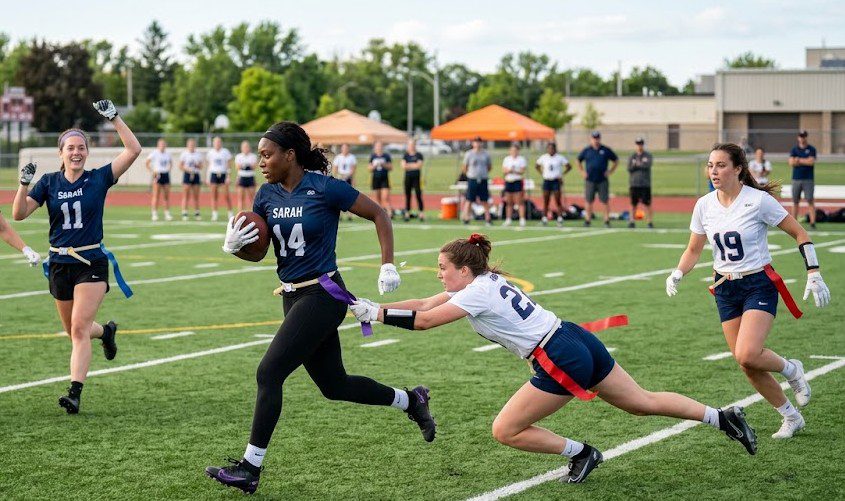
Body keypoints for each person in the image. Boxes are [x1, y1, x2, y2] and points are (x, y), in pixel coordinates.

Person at [349, 233, 758, 485]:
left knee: (506, 430)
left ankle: (581, 452)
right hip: (572, 335)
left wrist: (378, 315)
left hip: (557, 355)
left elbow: (424, 321)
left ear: (463, 270)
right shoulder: (485, 281)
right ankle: (722, 417)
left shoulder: (475, 291)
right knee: (642, 402)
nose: (438, 274)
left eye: (442, 268)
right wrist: (370, 306)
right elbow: (422, 302)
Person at [205, 122, 434, 494]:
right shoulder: (264, 196)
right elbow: (261, 251)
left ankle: (250, 467)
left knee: (269, 373)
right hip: (293, 295)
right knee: (334, 385)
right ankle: (411, 400)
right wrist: (234, 248)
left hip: (323, 294)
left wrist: (387, 262)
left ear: (289, 155)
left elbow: (380, 214)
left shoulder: (324, 188)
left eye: (267, 154)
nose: (259, 161)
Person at [665, 143, 830, 440]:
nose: (713, 171)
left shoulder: (758, 201)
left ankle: (792, 370)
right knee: (745, 362)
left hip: (758, 283)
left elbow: (800, 233)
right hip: (725, 287)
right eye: (710, 165)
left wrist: (813, 271)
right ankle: (791, 417)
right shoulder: (704, 204)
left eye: (721, 165)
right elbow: (693, 249)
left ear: (738, 168)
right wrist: (678, 271)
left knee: (748, 351)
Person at [12, 100, 141, 414]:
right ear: (61, 153)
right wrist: (23, 184)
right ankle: (106, 332)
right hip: (59, 263)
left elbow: (133, 150)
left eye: (81, 147)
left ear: (87, 151)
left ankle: (74, 393)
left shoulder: (98, 178)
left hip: (90, 262)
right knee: (75, 329)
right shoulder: (49, 183)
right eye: (70, 147)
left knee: (79, 329)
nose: (76, 152)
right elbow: (18, 214)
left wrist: (114, 117)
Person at [577, 132, 618, 227]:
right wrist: (582, 172)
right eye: (594, 138)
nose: (596, 140)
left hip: (602, 179)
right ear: (591, 139)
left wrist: (610, 171)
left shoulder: (605, 150)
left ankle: (606, 220)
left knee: (604, 200)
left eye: (597, 138)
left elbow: (615, 160)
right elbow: (578, 160)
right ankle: (587, 220)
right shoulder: (587, 150)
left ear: (600, 139)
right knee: (588, 200)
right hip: (590, 179)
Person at [535, 142, 571, 227]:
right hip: (547, 180)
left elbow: (568, 166)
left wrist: (562, 175)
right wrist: (542, 173)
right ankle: (544, 218)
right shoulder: (544, 157)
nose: (550, 150)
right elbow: (537, 166)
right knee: (546, 200)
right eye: (549, 148)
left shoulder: (559, 157)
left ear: (555, 149)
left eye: (552, 148)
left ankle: (559, 218)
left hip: (556, 181)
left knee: (557, 200)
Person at [789, 130, 817, 229]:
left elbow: (811, 162)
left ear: (806, 137)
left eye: (804, 136)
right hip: (796, 178)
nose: (802, 138)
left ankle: (812, 222)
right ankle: (794, 223)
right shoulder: (794, 149)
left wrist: (799, 160)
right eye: (800, 136)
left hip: (808, 178)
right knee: (795, 201)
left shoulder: (811, 149)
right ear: (798, 137)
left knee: (810, 200)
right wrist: (804, 160)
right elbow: (791, 162)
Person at [461, 137, 492, 225]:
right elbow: (464, 167)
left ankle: (488, 218)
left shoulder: (486, 154)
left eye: (479, 142)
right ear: (473, 143)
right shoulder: (469, 154)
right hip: (472, 178)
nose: (478, 144)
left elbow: (489, 166)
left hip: (483, 179)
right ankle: (466, 217)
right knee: (469, 199)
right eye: (476, 142)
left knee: (484, 199)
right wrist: (470, 174)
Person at [627, 137, 654, 229]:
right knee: (633, 204)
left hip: (645, 183)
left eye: (641, 144)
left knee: (647, 203)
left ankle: (649, 221)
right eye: (638, 144)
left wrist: (637, 164)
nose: (639, 146)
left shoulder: (647, 155)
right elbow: (629, 168)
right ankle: (631, 221)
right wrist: (638, 164)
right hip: (634, 183)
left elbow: (647, 165)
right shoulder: (632, 156)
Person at [206, 136, 233, 222]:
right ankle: (214, 214)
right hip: (214, 174)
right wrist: (207, 177)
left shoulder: (225, 152)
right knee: (214, 195)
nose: (217, 144)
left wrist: (228, 176)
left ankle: (230, 213)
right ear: (213, 143)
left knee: (226, 195)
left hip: (223, 174)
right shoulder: (210, 153)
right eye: (216, 142)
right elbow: (209, 165)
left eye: (219, 142)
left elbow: (229, 164)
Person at [146, 138, 173, 221]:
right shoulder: (154, 153)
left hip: (165, 174)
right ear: (158, 145)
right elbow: (147, 163)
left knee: (166, 195)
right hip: (157, 174)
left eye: (164, 144)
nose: (162, 146)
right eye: (161, 144)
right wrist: (152, 171)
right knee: (156, 195)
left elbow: (171, 163)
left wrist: (169, 169)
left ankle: (167, 213)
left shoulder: (168, 154)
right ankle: (154, 213)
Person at [502, 143, 527, 227]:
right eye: (512, 150)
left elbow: (522, 171)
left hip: (517, 181)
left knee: (519, 201)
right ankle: (508, 219)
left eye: (515, 150)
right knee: (509, 202)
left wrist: (514, 171)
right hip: (509, 181)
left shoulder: (521, 159)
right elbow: (504, 171)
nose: (514, 152)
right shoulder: (507, 159)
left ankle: (522, 219)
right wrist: (509, 171)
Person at [179, 138, 204, 221]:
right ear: (187, 145)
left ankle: (197, 212)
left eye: (193, 145)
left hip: (196, 175)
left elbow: (201, 166)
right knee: (186, 194)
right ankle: (184, 212)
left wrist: (197, 166)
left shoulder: (198, 154)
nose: (191, 146)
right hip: (187, 175)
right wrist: (187, 169)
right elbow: (180, 166)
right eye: (190, 145)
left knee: (196, 195)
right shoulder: (184, 154)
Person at [331, 143, 357, 221]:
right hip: (340, 178)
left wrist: (348, 176)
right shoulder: (338, 157)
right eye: (343, 148)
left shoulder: (352, 157)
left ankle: (350, 215)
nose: (345, 149)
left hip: (348, 178)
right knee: (340, 197)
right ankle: (340, 215)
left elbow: (353, 169)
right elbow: (335, 169)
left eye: (346, 148)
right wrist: (337, 177)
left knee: (350, 197)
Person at [402, 139, 425, 222]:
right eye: (410, 145)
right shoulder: (406, 155)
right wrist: (413, 165)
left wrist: (409, 165)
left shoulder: (419, 155)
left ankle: (421, 213)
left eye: (412, 145)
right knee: (408, 195)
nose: (411, 146)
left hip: (417, 178)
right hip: (408, 177)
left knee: (418, 194)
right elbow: (403, 166)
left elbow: (419, 165)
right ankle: (407, 213)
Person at [368, 141, 393, 216]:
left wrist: (383, 164)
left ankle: (390, 213)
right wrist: (374, 166)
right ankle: (381, 214)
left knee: (385, 198)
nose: (379, 148)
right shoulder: (373, 156)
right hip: (375, 178)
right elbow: (369, 168)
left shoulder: (386, 156)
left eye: (380, 146)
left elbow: (391, 167)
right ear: (375, 148)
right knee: (377, 199)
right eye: (377, 146)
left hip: (384, 178)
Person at [235, 140, 258, 214]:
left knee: (252, 198)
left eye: (247, 147)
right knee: (241, 198)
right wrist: (247, 165)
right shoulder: (239, 156)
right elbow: (238, 167)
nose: (246, 148)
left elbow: (254, 166)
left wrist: (245, 165)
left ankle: (253, 214)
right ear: (241, 148)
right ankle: (240, 214)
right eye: (244, 147)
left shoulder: (253, 156)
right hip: (242, 177)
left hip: (250, 177)